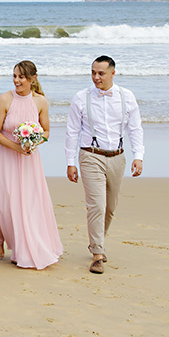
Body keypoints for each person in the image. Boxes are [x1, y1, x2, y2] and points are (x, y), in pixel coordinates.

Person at [65, 55, 145, 275]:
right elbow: (72, 132)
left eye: (100, 73)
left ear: (112, 73)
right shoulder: (81, 98)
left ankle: (96, 241)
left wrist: (138, 156)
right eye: (93, 72)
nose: (96, 77)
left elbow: (135, 129)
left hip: (118, 156)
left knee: (110, 207)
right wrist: (70, 162)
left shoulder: (126, 97)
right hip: (90, 155)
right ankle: (98, 254)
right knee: (96, 206)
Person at [0, 60, 63, 270]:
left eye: (21, 77)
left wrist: (32, 143)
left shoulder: (40, 102)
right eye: (14, 76)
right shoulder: (5, 99)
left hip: (30, 158)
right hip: (7, 155)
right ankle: (0, 241)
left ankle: (28, 245)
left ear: (32, 79)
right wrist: (16, 147)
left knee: (31, 200)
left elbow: (46, 132)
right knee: (7, 200)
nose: (16, 81)